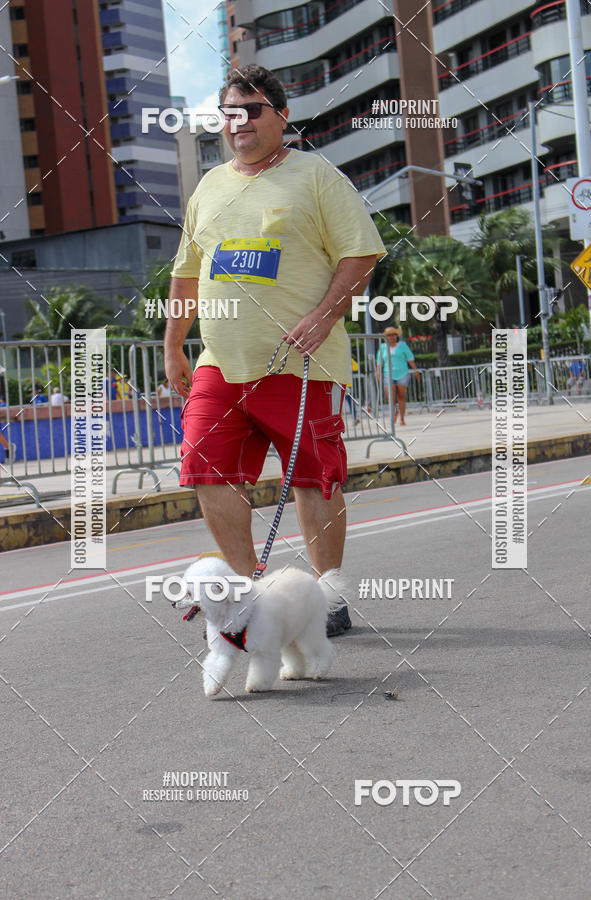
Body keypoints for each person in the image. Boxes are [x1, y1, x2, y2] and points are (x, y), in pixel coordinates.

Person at [165, 64, 385, 637]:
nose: (239, 121)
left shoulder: (315, 175)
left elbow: (360, 254)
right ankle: (247, 595)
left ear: (281, 116)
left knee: (316, 478)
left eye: (253, 109)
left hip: (301, 366)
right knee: (205, 467)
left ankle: (329, 597)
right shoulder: (208, 186)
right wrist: (172, 347)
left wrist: (323, 316)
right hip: (221, 364)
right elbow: (186, 276)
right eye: (229, 112)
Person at [376, 326, 420, 425]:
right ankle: (394, 412)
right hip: (388, 375)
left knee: (401, 396)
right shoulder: (382, 347)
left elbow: (410, 359)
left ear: (396, 336)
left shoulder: (403, 345)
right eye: (389, 335)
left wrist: (416, 370)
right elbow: (379, 363)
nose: (391, 337)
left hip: (402, 374)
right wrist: (378, 374)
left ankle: (402, 418)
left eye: (393, 335)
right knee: (391, 397)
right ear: (386, 337)